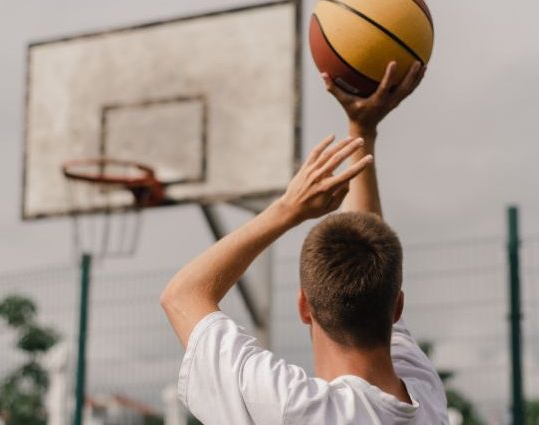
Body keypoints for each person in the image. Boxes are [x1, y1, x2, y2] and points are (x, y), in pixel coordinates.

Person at [160, 61, 448, 424]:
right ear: (397, 308)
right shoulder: (426, 395)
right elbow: (370, 243)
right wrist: (363, 129)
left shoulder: (294, 409)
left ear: (303, 306)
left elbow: (181, 295)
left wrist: (288, 208)